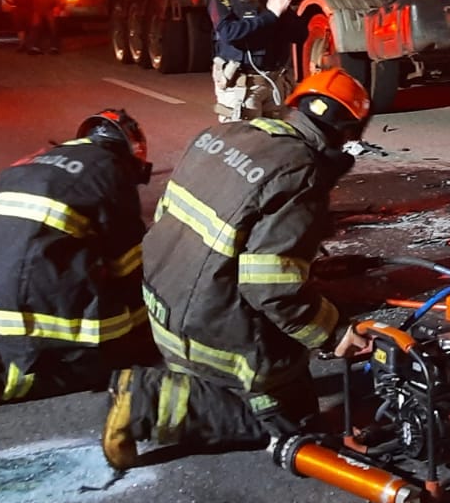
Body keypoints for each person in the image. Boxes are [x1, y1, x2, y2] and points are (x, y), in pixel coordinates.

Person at [102, 68, 374, 470]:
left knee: (296, 387)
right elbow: (271, 287)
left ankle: (199, 383)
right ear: (347, 136)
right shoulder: (301, 173)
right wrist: (334, 333)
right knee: (295, 428)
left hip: (160, 305)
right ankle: (148, 401)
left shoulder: (223, 134)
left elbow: (168, 217)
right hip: (206, 329)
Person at [0, 110, 155, 415]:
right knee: (121, 355)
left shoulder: (32, 162)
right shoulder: (110, 171)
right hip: (35, 305)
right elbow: (130, 266)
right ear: (129, 152)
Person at [209, 0, 308, 122]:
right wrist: (270, 15)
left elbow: (300, 35)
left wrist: (283, 13)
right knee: (243, 143)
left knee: (276, 144)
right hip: (243, 86)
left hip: (275, 84)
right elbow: (228, 33)